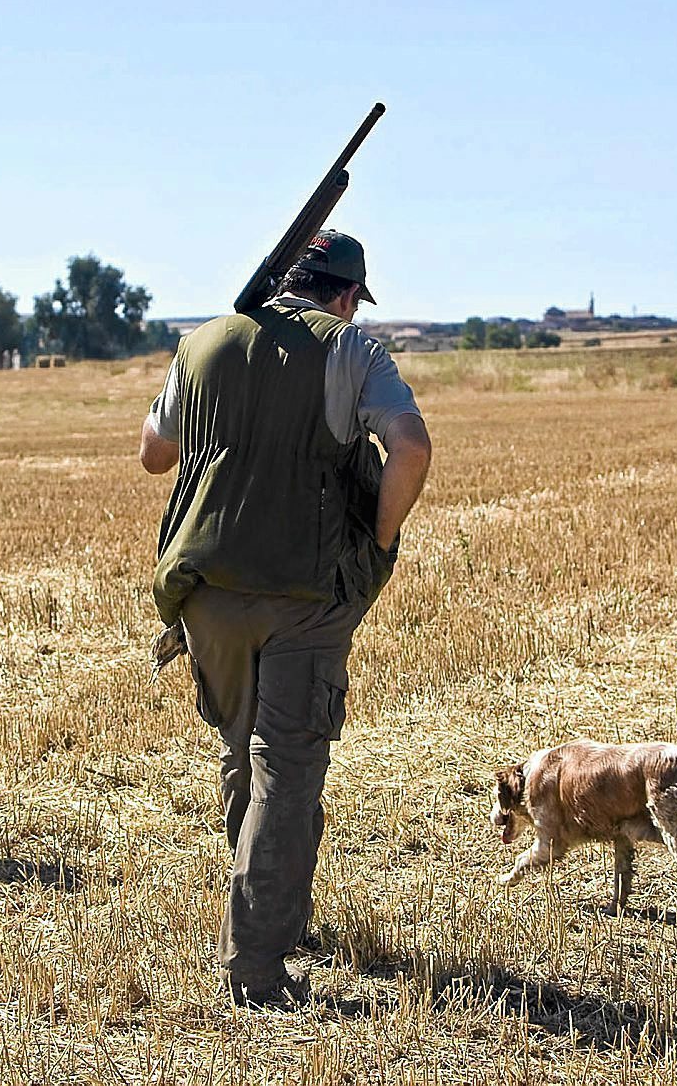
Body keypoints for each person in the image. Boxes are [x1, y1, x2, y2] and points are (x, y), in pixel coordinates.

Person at [139, 230, 432, 1007]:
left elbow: (153, 454)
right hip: (306, 593)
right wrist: (380, 534)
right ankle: (258, 965)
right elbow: (410, 448)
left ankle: (267, 912)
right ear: (344, 295)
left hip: (204, 589)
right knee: (289, 768)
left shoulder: (201, 342)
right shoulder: (351, 351)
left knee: (244, 753)